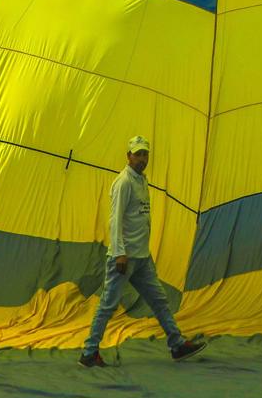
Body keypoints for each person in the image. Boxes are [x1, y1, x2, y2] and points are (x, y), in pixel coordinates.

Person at [78, 134, 207, 367]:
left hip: (141, 258)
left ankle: (177, 345)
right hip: (124, 258)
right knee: (107, 305)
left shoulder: (142, 180)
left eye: (145, 154)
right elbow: (114, 220)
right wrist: (119, 252)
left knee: (159, 300)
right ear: (128, 156)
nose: (142, 158)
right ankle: (89, 353)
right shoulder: (124, 182)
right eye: (138, 154)